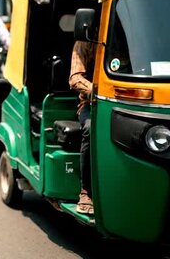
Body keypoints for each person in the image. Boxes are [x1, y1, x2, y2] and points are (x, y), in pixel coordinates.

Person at [69, 40, 96, 215]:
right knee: (90, 127)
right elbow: (75, 79)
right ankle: (86, 191)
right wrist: (98, 90)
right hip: (91, 103)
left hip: (128, 100)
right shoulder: (85, 42)